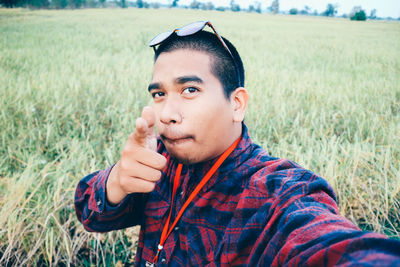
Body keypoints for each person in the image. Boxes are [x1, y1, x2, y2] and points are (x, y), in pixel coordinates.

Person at [74, 21, 400, 266]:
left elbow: (321, 243)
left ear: (237, 104)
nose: (168, 114)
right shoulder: (157, 161)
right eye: (159, 94)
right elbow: (91, 215)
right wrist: (117, 180)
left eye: (190, 90)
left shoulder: (273, 194)